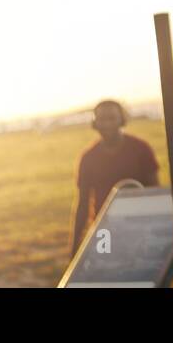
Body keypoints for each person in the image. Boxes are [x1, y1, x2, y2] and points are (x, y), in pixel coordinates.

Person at [69, 100, 159, 258]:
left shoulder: (141, 148)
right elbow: (82, 203)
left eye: (111, 118)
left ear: (122, 120)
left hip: (139, 224)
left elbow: (156, 192)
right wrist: (74, 248)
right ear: (94, 123)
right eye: (102, 119)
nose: (107, 124)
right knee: (107, 268)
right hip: (104, 229)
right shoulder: (88, 157)